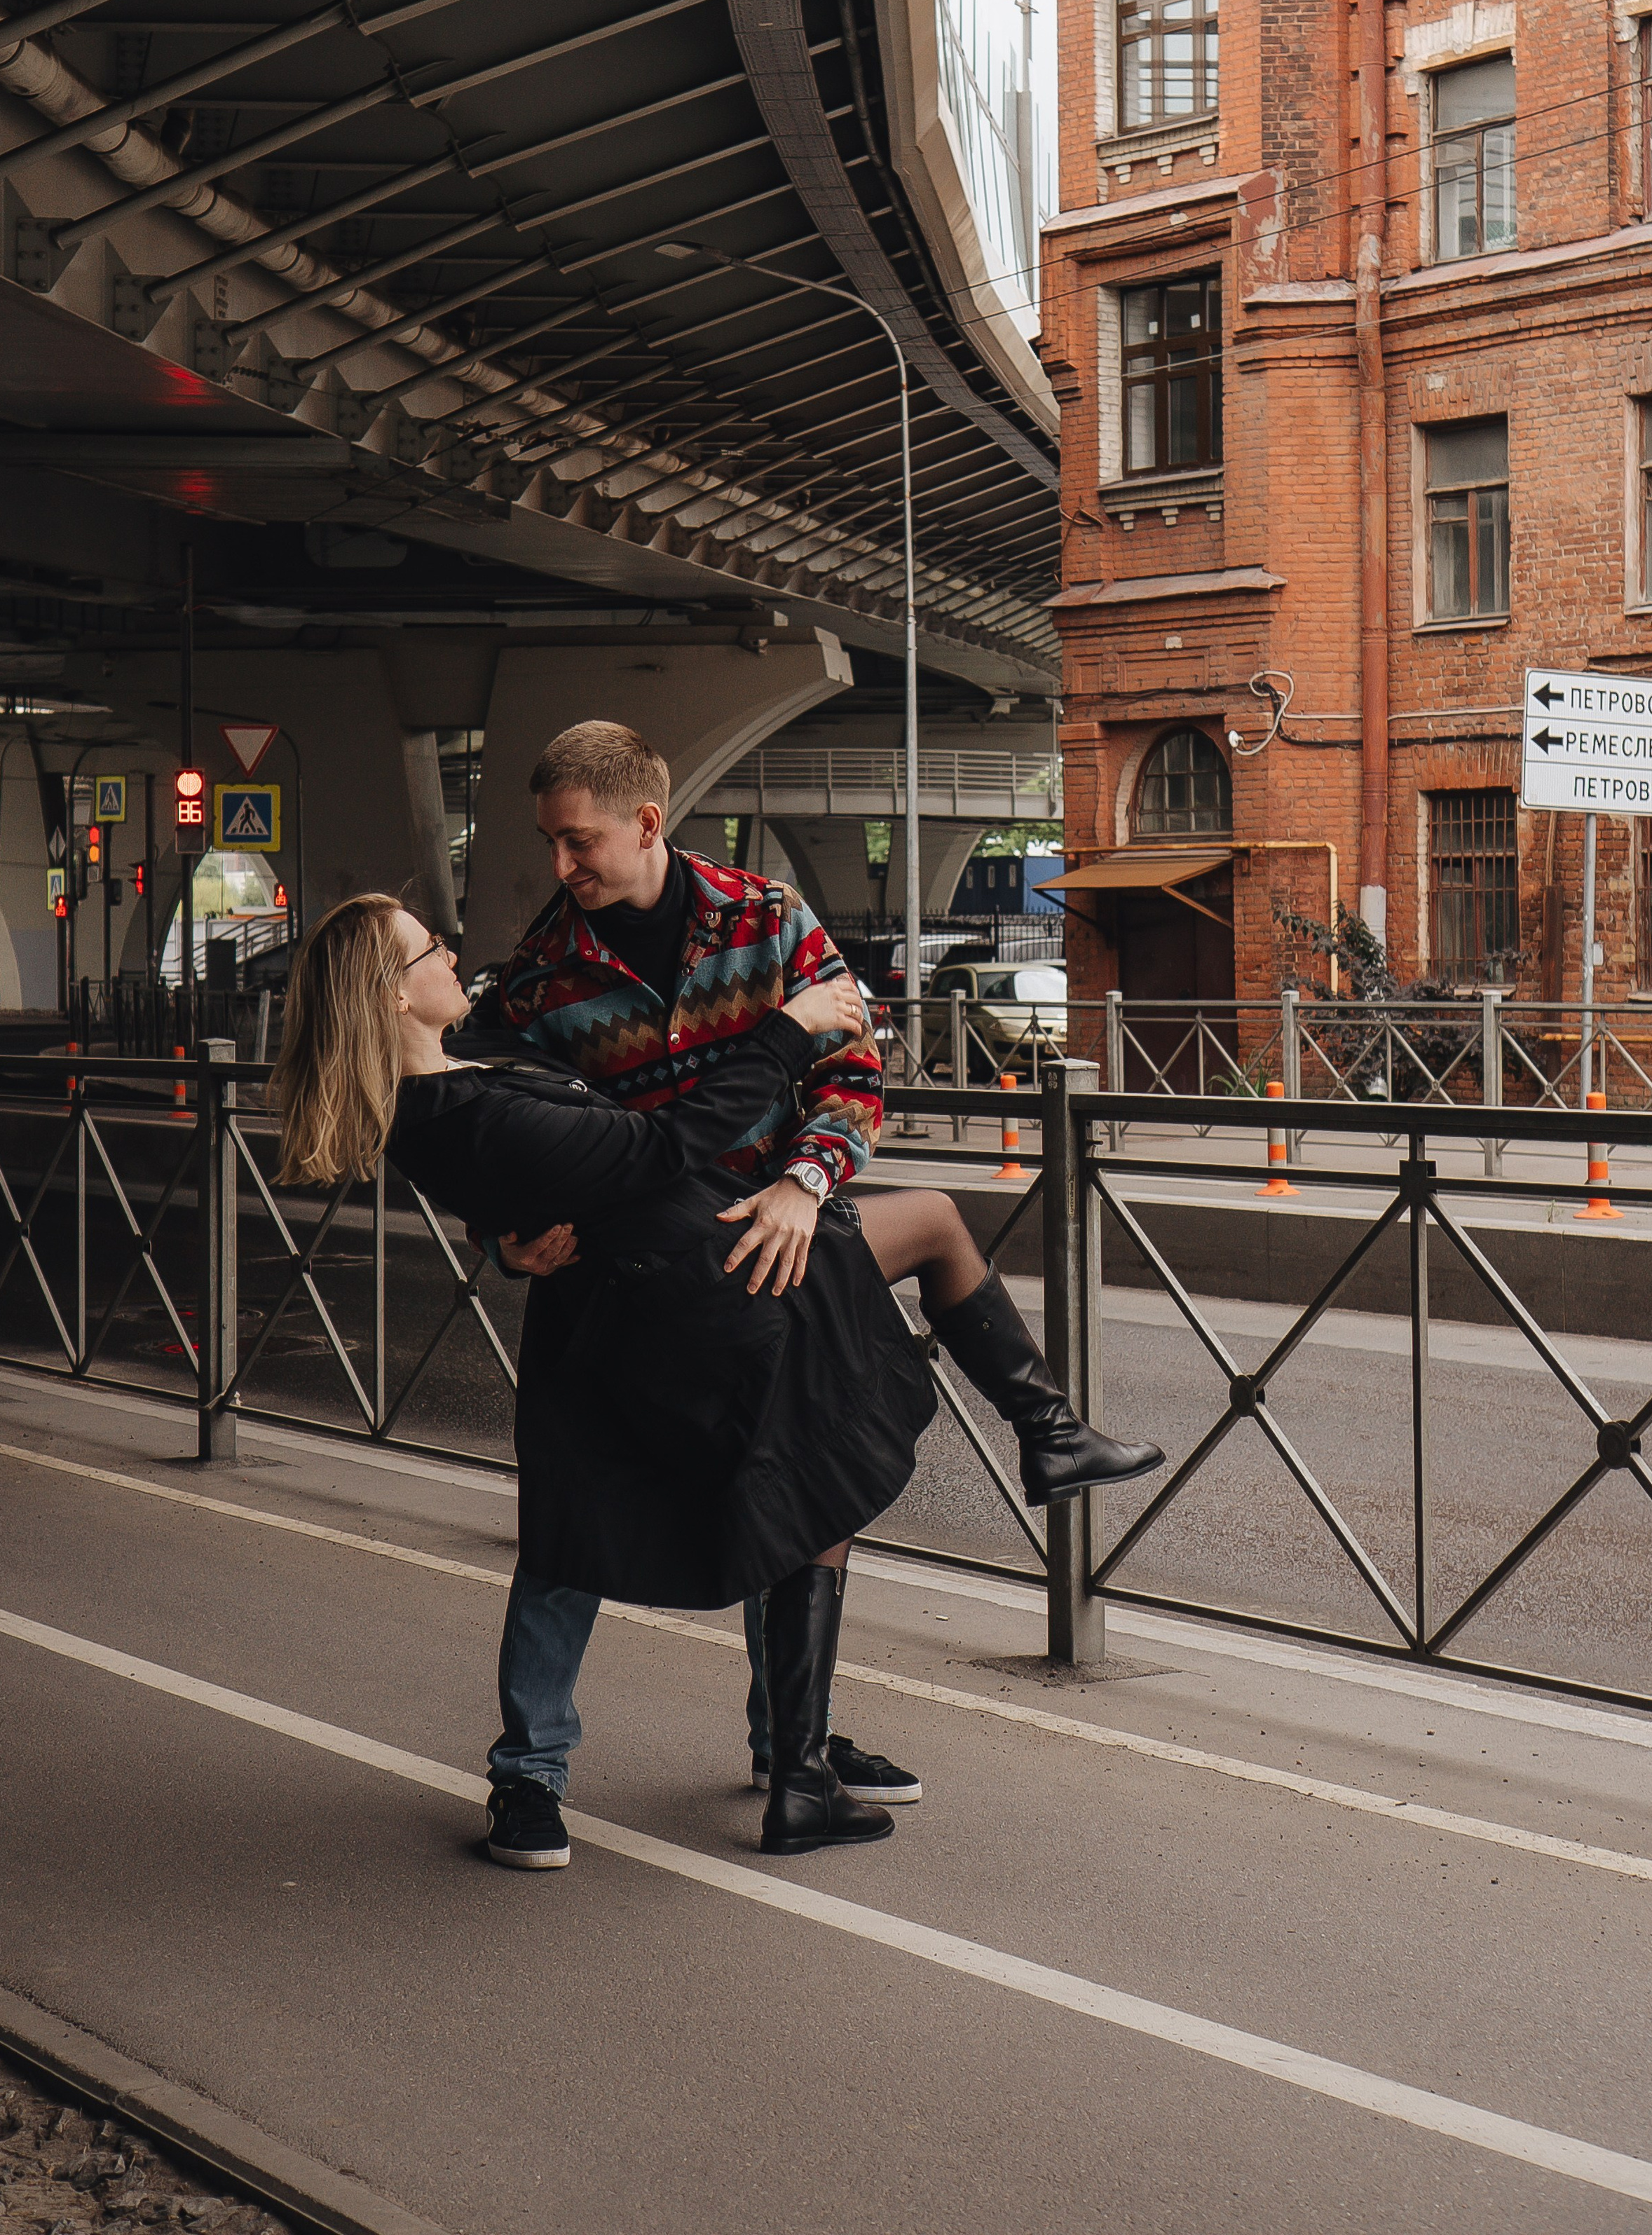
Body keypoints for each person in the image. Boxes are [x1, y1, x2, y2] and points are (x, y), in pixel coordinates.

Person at [272, 896, 1166, 1864]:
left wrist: (504, 1232)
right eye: (428, 948)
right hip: (718, 1270)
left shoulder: (467, 1073)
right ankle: (1038, 1451)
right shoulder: (468, 1095)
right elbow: (654, 1147)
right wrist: (792, 1030)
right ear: (392, 995)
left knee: (770, 1495)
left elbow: (529, 1171)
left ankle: (796, 1753)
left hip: (665, 1282)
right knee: (802, 1462)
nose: (453, 951)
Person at [453, 720, 1162, 1858]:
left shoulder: (768, 918)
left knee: (786, 1493)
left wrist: (803, 1182)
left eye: (578, 843)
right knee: (569, 1529)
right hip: (616, 1276)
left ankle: (797, 1745)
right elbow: (486, 1128)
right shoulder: (543, 969)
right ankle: (531, 1777)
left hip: (768, 1252)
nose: (562, 868)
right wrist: (503, 1231)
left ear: (647, 823)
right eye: (550, 845)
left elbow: (855, 1072)